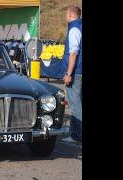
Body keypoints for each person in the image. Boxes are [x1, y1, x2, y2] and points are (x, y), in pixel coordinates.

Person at [61, 5, 82, 143]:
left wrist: (68, 73)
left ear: (69, 15)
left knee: (75, 104)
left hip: (76, 71)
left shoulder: (74, 29)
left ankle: (77, 135)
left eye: (66, 14)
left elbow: (73, 52)